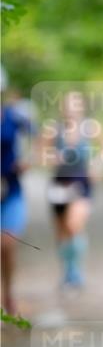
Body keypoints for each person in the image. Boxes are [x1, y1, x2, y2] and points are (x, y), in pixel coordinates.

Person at [41, 90, 95, 288]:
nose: (71, 109)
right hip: (59, 183)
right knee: (61, 230)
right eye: (68, 105)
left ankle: (76, 271)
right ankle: (67, 271)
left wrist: (98, 165)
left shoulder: (90, 128)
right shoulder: (53, 129)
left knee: (74, 224)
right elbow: (40, 153)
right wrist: (52, 157)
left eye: (76, 104)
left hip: (81, 183)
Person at [1, 68, 33, 318]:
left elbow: (38, 138)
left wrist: (26, 160)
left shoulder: (15, 117)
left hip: (10, 190)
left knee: (7, 244)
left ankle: (8, 294)